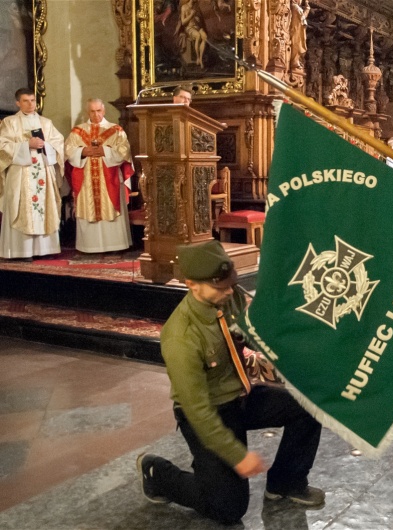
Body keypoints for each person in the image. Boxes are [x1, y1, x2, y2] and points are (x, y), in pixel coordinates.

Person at [136, 240, 324, 524]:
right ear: (192, 284)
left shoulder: (228, 295)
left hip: (242, 396)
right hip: (210, 412)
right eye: (220, 287)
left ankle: (286, 481)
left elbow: (251, 331)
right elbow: (198, 411)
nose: (228, 292)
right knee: (228, 508)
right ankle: (157, 473)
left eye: (229, 285)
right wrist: (238, 456)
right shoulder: (181, 337)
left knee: (309, 406)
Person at [0, 88, 65, 259]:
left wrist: (45, 146)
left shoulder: (46, 123)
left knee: (45, 207)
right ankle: (22, 251)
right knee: (20, 207)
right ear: (17, 103)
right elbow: (2, 146)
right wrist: (26, 144)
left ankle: (45, 250)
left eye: (33, 101)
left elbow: (59, 144)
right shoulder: (9, 122)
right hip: (21, 172)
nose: (30, 105)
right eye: (26, 101)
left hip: (43, 170)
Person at [64, 99, 134, 253]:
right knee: (87, 206)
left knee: (110, 205)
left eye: (98, 111)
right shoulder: (77, 131)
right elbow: (68, 151)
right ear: (87, 112)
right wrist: (83, 152)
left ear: (104, 111)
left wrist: (105, 151)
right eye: (92, 111)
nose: (96, 114)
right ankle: (89, 246)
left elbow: (124, 152)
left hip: (110, 178)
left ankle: (116, 245)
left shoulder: (116, 130)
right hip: (86, 179)